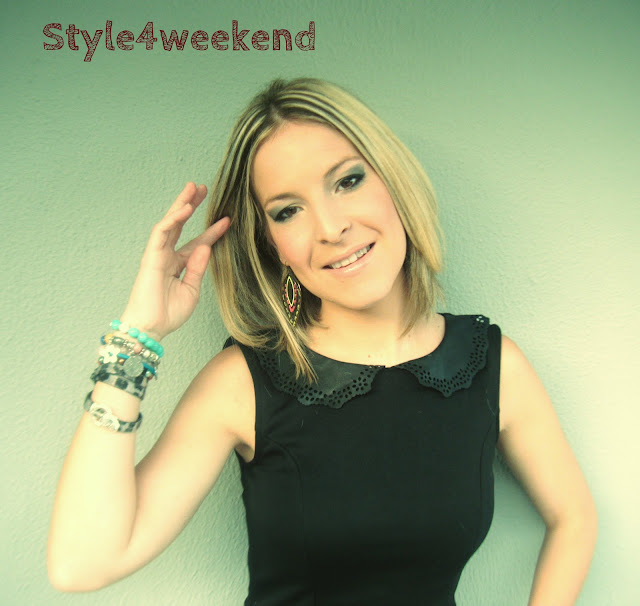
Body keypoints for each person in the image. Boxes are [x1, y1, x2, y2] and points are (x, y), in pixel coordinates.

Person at [47, 78, 597, 605]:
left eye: (347, 181)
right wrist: (138, 334)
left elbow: (574, 516)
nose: (331, 228)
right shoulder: (243, 382)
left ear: (394, 182)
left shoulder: (490, 365)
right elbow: (80, 564)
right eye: (288, 211)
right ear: (273, 245)